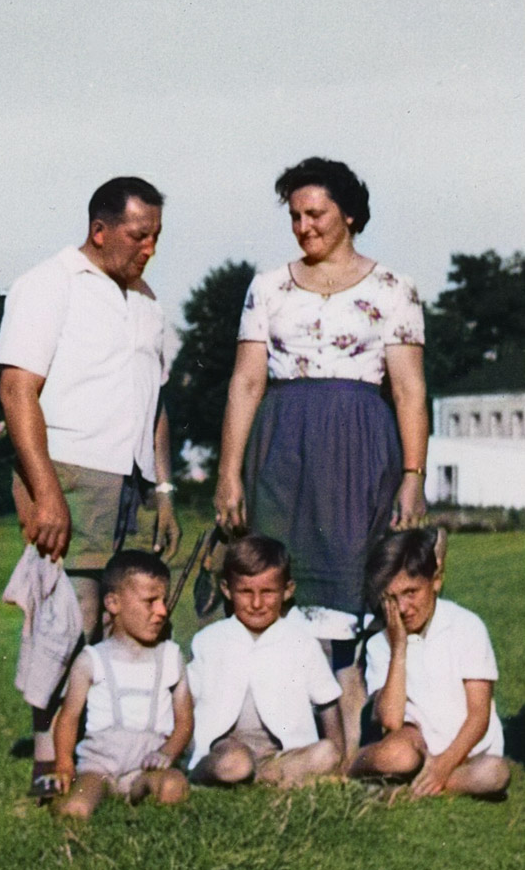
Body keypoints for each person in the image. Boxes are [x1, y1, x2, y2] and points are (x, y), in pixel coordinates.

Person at [214, 156, 428, 754]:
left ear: (350, 215)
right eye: (295, 216)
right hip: (281, 446)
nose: (304, 226)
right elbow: (245, 383)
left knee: (351, 587)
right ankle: (276, 736)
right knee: (275, 576)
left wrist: (413, 474)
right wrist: (229, 473)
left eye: (316, 214)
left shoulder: (394, 288)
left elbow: (409, 389)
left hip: (359, 447)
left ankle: (353, 742)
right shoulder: (268, 287)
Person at [0, 177, 181, 795]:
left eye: (156, 236)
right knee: (66, 619)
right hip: (70, 472)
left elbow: (155, 405)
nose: (149, 248)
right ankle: (48, 763)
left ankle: (105, 753)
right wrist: (46, 492)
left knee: (122, 621)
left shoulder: (148, 302)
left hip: (134, 482)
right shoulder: (49, 284)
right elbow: (16, 390)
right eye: (138, 235)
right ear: (100, 231)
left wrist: (163, 491)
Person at [350, 529, 510, 798]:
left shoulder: (467, 626)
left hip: (467, 751)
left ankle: (417, 784)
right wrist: (399, 649)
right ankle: (353, 767)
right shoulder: (380, 643)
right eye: (391, 598)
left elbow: (478, 715)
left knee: (495, 774)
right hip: (415, 744)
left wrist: (444, 765)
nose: (402, 608)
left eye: (411, 592)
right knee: (398, 755)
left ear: (435, 581)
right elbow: (391, 720)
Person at [188, 535, 343, 788]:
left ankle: (263, 775)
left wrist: (339, 761)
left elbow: (328, 703)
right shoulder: (209, 640)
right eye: (245, 592)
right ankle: (207, 773)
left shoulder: (302, 642)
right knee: (236, 762)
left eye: (268, 592)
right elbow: (187, 701)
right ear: (227, 590)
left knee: (327, 753)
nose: (257, 603)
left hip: (281, 752)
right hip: (229, 747)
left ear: (287, 590)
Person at [54, 550, 192, 818]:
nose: (162, 611)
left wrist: (168, 752)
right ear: (113, 603)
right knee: (76, 809)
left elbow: (185, 720)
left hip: (148, 766)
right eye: (150, 601)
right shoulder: (91, 660)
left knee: (173, 787)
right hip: (100, 766)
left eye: (163, 601)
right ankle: (67, 798)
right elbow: (68, 717)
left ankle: (139, 792)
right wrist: (63, 762)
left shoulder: (171, 656)